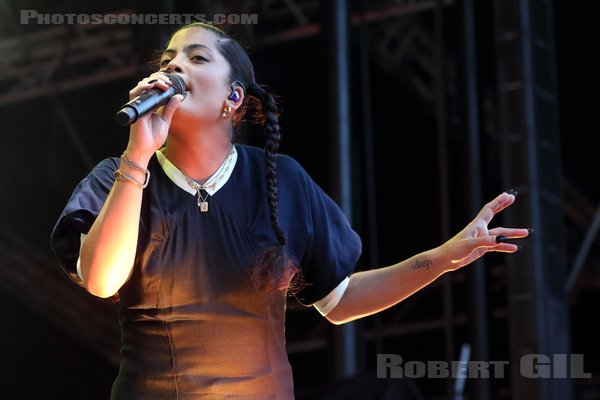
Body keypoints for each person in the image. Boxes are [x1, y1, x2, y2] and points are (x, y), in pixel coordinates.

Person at [50, 21, 530, 400]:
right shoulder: (119, 176)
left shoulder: (281, 179)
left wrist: (443, 256)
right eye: (168, 58)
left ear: (233, 99)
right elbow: (101, 281)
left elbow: (339, 301)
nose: (174, 67)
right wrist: (138, 155)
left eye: (196, 57)